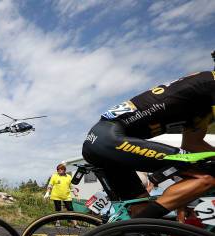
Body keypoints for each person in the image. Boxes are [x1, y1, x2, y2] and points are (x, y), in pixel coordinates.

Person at [82, 68, 215, 219]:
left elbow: (193, 144)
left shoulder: (202, 104)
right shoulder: (209, 83)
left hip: (103, 141)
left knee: (140, 205)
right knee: (206, 178)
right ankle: (138, 226)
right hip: (109, 139)